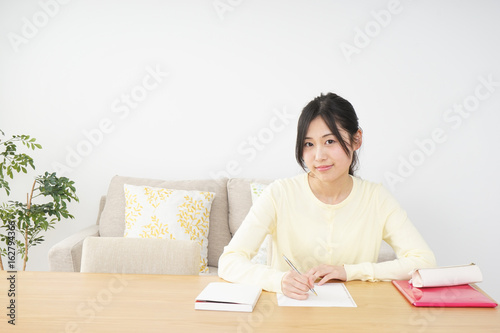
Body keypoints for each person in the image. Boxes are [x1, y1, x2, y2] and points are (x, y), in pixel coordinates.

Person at [218, 92, 436, 300]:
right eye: (309, 144)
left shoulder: (376, 198)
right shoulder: (280, 193)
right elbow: (229, 262)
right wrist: (279, 280)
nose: (319, 156)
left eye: (330, 141)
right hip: (291, 313)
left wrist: (349, 271)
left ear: (356, 139)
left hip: (354, 315)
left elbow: (424, 262)